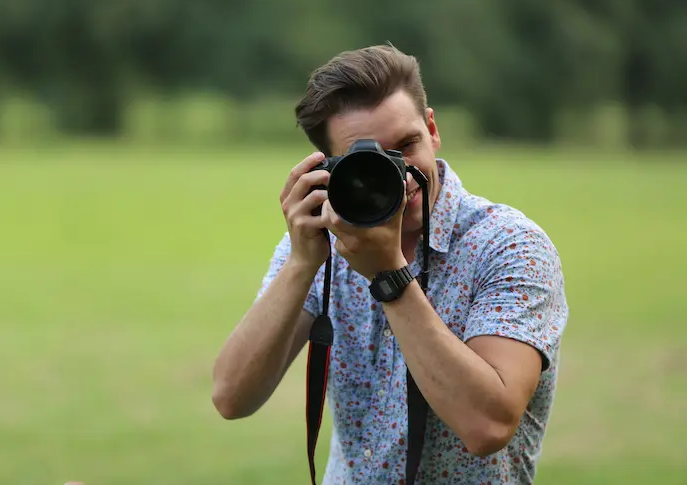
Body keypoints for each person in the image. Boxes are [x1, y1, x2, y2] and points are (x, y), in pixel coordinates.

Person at [211, 44, 569, 484]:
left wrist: (390, 276)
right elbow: (231, 397)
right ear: (329, 168)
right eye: (370, 162)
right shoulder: (322, 244)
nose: (398, 173)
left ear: (432, 129)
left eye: (406, 145)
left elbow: (488, 427)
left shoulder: (508, 246)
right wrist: (302, 264)